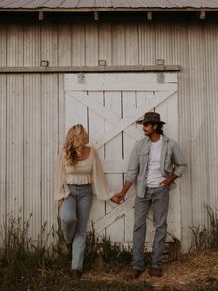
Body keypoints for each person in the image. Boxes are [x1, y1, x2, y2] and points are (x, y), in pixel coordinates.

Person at [113, 112, 186, 279]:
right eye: (143, 125)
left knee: (160, 226)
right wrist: (122, 193)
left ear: (155, 126)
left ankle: (156, 264)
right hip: (142, 191)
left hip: (161, 190)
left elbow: (181, 166)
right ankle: (137, 266)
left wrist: (169, 180)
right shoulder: (140, 146)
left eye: (146, 125)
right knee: (139, 226)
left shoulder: (171, 145)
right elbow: (132, 172)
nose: (143, 128)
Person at [54, 124, 117, 280]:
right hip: (69, 192)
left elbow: (99, 176)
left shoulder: (92, 152)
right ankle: (68, 240)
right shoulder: (65, 152)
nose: (88, 135)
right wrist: (60, 195)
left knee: (81, 229)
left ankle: (76, 268)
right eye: (85, 133)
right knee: (68, 218)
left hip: (85, 193)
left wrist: (110, 194)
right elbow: (58, 174)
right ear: (78, 136)